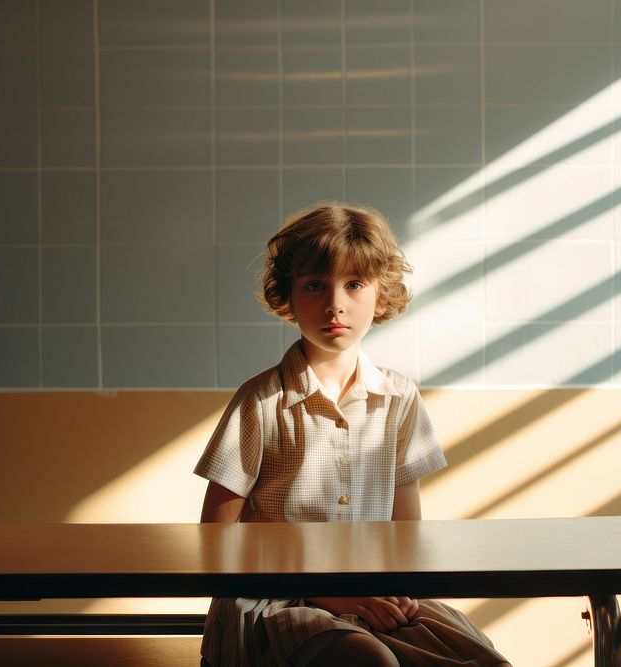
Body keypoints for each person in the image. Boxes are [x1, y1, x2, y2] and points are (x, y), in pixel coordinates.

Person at [194, 203, 511, 667]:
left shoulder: (399, 398)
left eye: (355, 284)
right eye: (315, 285)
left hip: (371, 596)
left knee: (483, 660)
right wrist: (328, 593)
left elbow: (406, 537)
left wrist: (397, 590)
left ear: (381, 297)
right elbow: (216, 542)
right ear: (288, 297)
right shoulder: (260, 402)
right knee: (367, 661)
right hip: (274, 602)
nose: (335, 303)